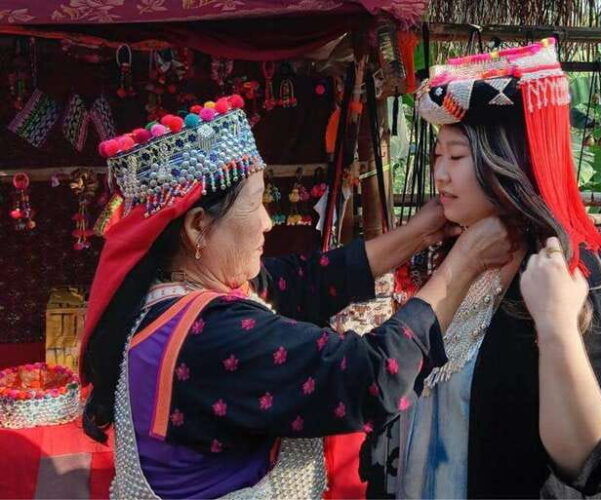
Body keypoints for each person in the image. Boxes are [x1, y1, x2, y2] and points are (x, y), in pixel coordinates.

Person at [80, 95, 515, 498]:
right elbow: (371, 377)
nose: (268, 222)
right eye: (255, 204)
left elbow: (308, 280)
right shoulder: (209, 334)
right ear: (197, 227)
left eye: (455, 157)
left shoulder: (169, 295)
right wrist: (464, 262)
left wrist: (421, 230)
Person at [361, 39, 601, 498]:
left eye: (456, 156)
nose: (440, 175)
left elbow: (598, 464)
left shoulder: (576, 273)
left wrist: (556, 326)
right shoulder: (461, 254)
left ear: (511, 160)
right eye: (437, 156)